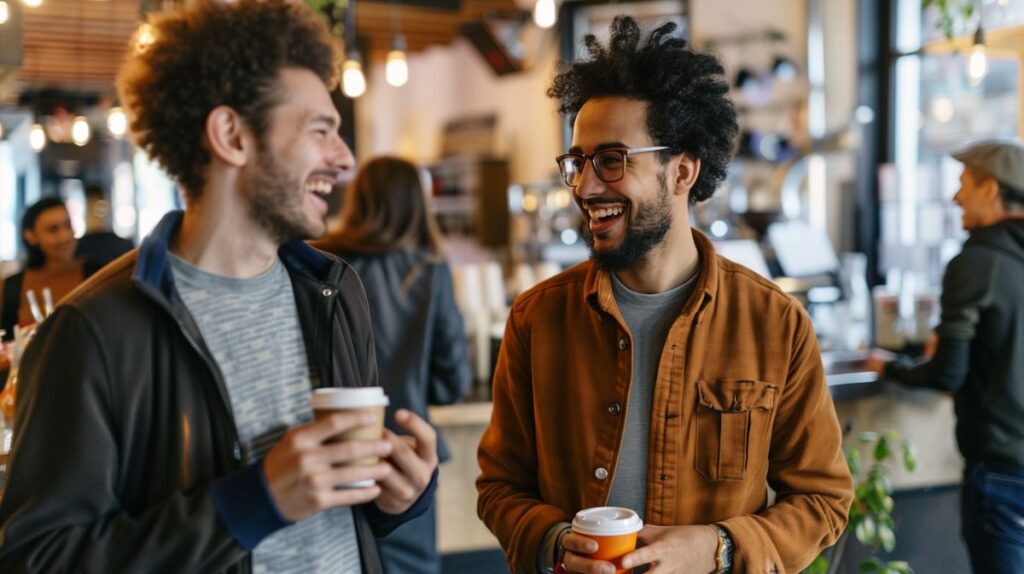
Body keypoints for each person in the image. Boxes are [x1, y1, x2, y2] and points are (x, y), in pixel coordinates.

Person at [0, 1, 438, 572]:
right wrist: (251, 503)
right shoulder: (93, 331)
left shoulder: (332, 291)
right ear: (231, 135)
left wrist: (399, 496)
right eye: (320, 131)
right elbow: (38, 558)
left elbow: (341, 514)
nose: (346, 158)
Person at [476, 16, 852, 574]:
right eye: (577, 163)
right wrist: (556, 543)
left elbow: (823, 501)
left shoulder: (774, 324)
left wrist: (717, 548)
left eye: (611, 160)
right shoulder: (538, 319)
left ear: (681, 172)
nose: (583, 186)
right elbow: (500, 487)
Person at [868, 139, 1024, 574]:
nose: (956, 197)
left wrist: (889, 367)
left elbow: (947, 374)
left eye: (963, 185)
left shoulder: (978, 261)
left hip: (1003, 472)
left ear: (990, 189)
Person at [313, 156, 474, 574]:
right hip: (405, 458)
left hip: (331, 449)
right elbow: (452, 380)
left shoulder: (320, 262)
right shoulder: (429, 268)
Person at [0, 197, 105, 342]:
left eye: (68, 226)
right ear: (30, 236)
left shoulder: (98, 274)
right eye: (53, 229)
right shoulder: (11, 287)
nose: (64, 237)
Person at [75, 184, 134, 264]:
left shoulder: (124, 246)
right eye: (90, 207)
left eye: (100, 207)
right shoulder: (75, 247)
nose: (96, 212)